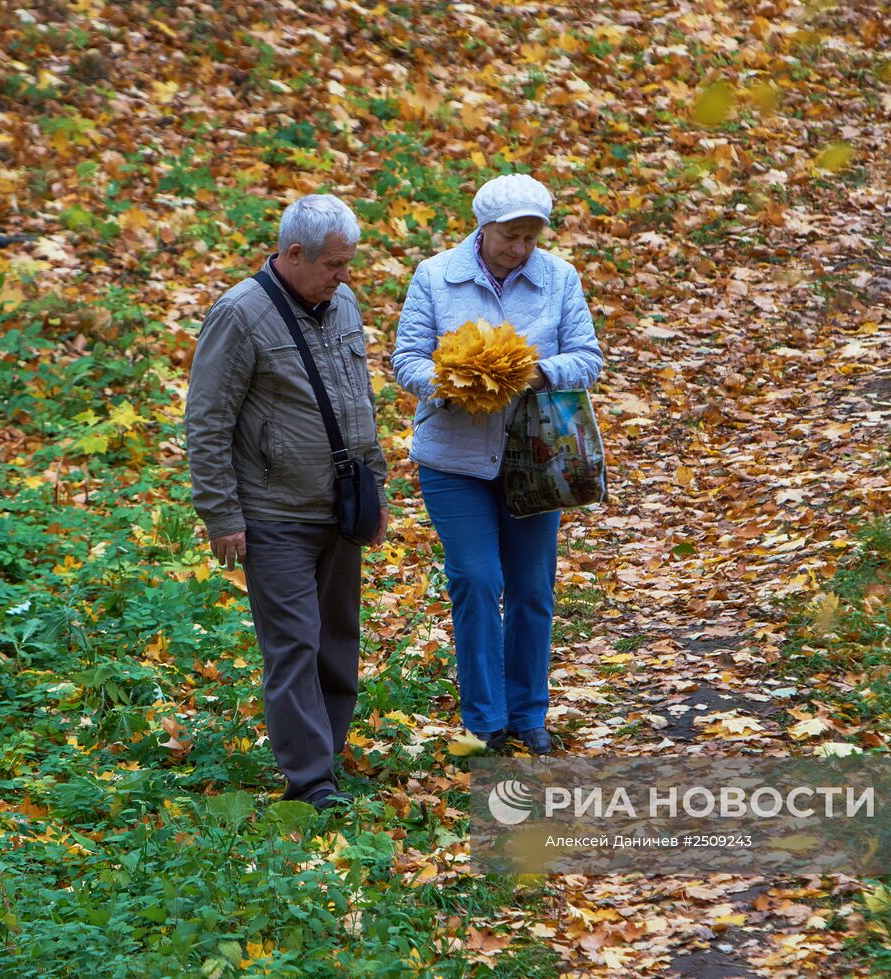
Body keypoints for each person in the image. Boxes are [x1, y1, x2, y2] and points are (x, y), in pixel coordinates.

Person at [186, 194, 388, 809]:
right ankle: (311, 782)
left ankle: (325, 754)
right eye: (333, 264)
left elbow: (359, 399)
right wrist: (221, 514)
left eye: (348, 263)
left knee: (337, 640)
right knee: (294, 644)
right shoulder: (240, 315)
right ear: (292, 253)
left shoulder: (343, 302)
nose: (343, 276)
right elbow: (207, 420)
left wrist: (374, 485)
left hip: (342, 507)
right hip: (274, 514)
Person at [392, 173, 603, 755]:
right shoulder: (437, 276)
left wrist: (537, 372)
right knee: (477, 581)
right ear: (483, 229)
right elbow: (405, 358)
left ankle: (528, 714)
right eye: (512, 235)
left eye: (533, 237)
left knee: (533, 589)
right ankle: (485, 720)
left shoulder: (558, 278)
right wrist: (447, 383)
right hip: (453, 460)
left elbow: (588, 358)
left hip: (535, 459)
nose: (522, 248)